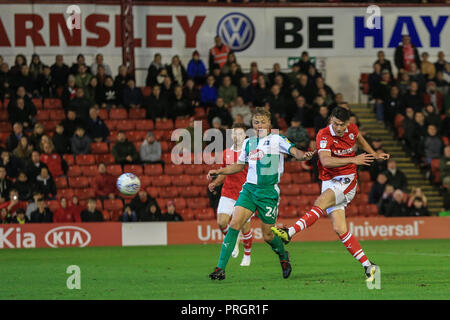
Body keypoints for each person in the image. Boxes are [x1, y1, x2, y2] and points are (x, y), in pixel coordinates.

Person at [272, 107, 390, 282]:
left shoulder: (352, 129)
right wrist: (354, 159)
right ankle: (368, 265)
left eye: (342, 124)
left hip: (347, 180)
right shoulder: (324, 134)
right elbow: (325, 160)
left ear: (348, 123)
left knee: (321, 201)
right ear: (330, 121)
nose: (339, 128)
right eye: (335, 123)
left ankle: (290, 232)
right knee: (340, 229)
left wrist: (374, 154)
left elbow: (360, 139)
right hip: (329, 180)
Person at [207, 107, 315, 281]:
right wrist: (219, 171)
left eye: (263, 121)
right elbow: (239, 165)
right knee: (234, 223)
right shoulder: (249, 143)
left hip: (268, 192)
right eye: (256, 122)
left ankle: (282, 256)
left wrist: (303, 156)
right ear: (253, 124)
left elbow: (294, 151)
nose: (259, 125)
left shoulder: (277, 139)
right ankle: (220, 268)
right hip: (249, 189)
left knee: (268, 235)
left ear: (269, 123)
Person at [207, 123, 252, 267]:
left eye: (239, 133)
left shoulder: (250, 151)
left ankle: (247, 255)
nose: (236, 136)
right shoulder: (226, 152)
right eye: (234, 133)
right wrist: (216, 182)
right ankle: (233, 239)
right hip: (228, 192)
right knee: (221, 223)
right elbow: (225, 172)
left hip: (245, 194)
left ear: (245, 135)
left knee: (245, 226)